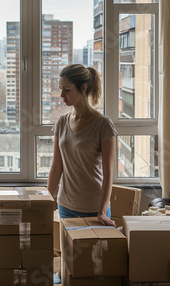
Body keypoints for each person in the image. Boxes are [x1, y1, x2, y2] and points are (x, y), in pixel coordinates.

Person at [47, 64, 117, 226]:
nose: (61, 95)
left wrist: (102, 211)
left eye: (67, 89)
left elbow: (108, 173)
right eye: (60, 89)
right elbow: (56, 168)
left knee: (96, 252)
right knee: (68, 251)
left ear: (83, 88)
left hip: (94, 208)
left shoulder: (103, 125)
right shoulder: (62, 122)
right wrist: (46, 201)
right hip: (65, 205)